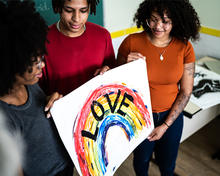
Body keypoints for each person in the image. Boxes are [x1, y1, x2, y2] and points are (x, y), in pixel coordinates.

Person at [117, 0, 200, 175]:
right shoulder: (131, 42)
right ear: (146, 17)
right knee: (141, 161)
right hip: (139, 116)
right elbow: (116, 84)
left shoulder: (185, 47)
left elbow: (186, 91)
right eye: (153, 19)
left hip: (171, 118)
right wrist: (125, 65)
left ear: (176, 21)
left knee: (167, 165)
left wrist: (165, 125)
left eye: (165, 21)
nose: (158, 26)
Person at [0, 0, 74, 175]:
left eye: (41, 56)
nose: (42, 65)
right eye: (34, 61)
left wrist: (51, 102)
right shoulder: (4, 119)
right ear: (10, 64)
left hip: (65, 164)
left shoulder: (29, 84)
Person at [40, 0, 116, 96]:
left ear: (89, 9)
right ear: (58, 8)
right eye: (69, 10)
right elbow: (35, 89)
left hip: (96, 108)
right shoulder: (42, 40)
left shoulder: (103, 35)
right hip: (59, 109)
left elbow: (113, 74)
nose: (76, 18)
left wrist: (109, 72)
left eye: (83, 11)